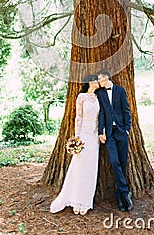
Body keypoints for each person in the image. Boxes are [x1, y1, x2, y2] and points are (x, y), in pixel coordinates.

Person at [50, 75, 100, 215]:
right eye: (96, 80)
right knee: (79, 167)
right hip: (84, 135)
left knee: (91, 168)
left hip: (95, 136)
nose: (98, 82)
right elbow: (79, 117)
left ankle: (85, 201)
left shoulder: (98, 97)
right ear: (90, 82)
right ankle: (74, 199)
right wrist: (76, 138)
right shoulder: (82, 97)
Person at [96, 69, 133, 212]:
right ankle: (125, 192)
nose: (99, 82)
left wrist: (127, 129)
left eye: (100, 79)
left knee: (122, 164)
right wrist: (101, 132)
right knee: (114, 162)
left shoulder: (120, 91)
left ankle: (120, 196)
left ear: (106, 78)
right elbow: (102, 114)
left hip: (121, 132)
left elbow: (126, 110)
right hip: (109, 134)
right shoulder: (100, 93)